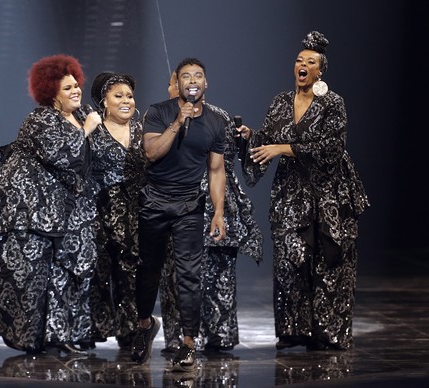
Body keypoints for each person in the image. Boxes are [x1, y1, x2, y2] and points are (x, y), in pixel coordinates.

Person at [239, 31, 370, 351]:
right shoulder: (281, 102)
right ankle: (293, 330)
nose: (302, 65)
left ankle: (328, 332)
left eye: (310, 62)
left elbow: (332, 147)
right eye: (299, 60)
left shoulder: (332, 102)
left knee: (330, 261)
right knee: (289, 257)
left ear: (320, 70)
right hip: (291, 192)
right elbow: (267, 142)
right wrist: (248, 139)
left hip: (329, 193)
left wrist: (283, 147)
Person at [0, 54, 102, 355]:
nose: (76, 91)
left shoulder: (84, 114)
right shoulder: (40, 119)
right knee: (30, 279)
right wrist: (86, 130)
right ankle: (32, 340)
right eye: (67, 88)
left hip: (72, 213)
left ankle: (60, 334)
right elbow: (62, 156)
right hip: (33, 214)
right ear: (51, 93)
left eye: (76, 85)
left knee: (69, 274)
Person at [130, 57, 227, 372]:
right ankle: (145, 325)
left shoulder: (216, 122)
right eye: (186, 76)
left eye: (198, 75)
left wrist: (218, 213)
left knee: (188, 274)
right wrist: (177, 122)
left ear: (206, 83)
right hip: (155, 201)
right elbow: (151, 153)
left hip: (189, 206)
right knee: (148, 269)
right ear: (178, 82)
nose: (193, 80)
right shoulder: (159, 111)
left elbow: (216, 170)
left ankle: (188, 343)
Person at [160, 71, 263, 353]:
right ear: (172, 86)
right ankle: (182, 339)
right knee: (178, 275)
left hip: (217, 206)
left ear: (205, 85)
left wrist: (246, 140)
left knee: (219, 274)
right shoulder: (161, 117)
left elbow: (228, 165)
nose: (188, 85)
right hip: (176, 206)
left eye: (196, 79)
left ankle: (219, 335)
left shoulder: (220, 117)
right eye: (180, 81)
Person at [85, 72, 147, 349]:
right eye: (118, 96)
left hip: (136, 211)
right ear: (104, 102)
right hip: (100, 211)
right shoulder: (91, 130)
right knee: (99, 273)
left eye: (130, 96)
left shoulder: (145, 130)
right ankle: (95, 329)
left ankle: (131, 331)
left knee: (132, 274)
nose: (126, 101)